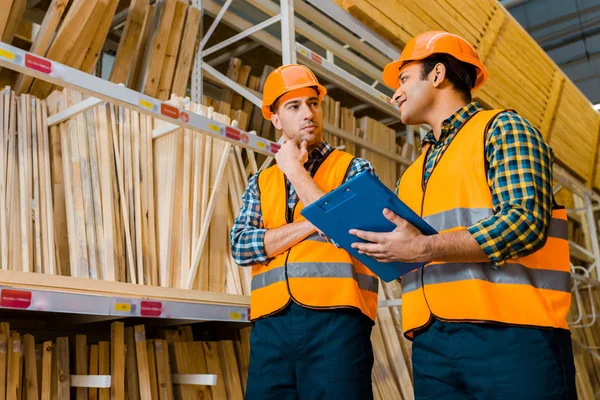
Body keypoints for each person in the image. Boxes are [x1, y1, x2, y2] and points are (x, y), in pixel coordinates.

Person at [350, 31, 576, 399]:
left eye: (404, 79)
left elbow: (524, 223)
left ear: (437, 74)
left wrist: (421, 248)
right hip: (432, 344)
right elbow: (416, 256)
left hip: (512, 334)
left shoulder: (502, 129)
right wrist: (384, 248)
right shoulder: (413, 173)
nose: (395, 93)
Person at [230, 64, 378, 400]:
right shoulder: (261, 181)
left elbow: (353, 232)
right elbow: (241, 246)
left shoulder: (352, 169)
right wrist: (316, 221)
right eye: (294, 107)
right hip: (270, 327)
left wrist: (296, 171)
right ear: (277, 120)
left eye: (313, 103)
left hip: (336, 323)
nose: (308, 113)